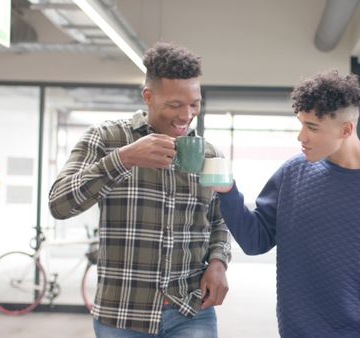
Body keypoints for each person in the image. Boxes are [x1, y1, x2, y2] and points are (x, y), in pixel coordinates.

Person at [212, 70, 360, 337]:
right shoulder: (292, 174)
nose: (301, 136)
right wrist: (228, 192)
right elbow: (255, 240)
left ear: (346, 129)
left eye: (312, 127)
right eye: (301, 124)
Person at [49, 41, 231, 338]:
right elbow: (59, 204)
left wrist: (218, 262)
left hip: (191, 311)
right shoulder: (106, 138)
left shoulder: (210, 154)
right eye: (175, 104)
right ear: (148, 96)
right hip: (121, 313)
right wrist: (123, 159)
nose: (186, 115)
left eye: (194, 104)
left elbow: (220, 220)